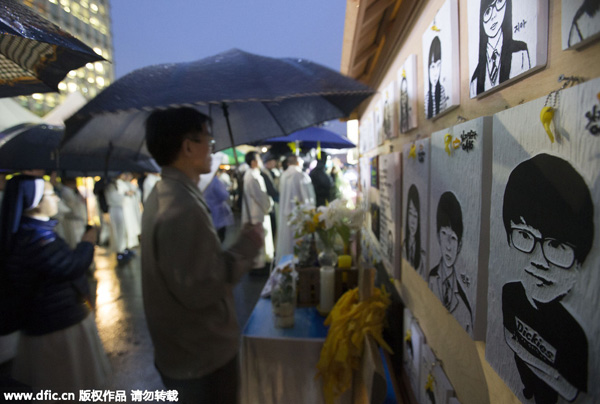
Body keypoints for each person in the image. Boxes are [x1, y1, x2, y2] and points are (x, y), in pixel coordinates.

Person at [141, 107, 263, 404]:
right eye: (208, 138)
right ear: (187, 146)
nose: (212, 146)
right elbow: (203, 285)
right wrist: (247, 246)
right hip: (200, 354)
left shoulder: (166, 191)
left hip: (182, 351)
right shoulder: (181, 205)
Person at [0, 175, 110, 393]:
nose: (57, 200)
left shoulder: (36, 232)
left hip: (55, 320)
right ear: (35, 202)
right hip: (56, 326)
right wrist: (87, 244)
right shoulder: (36, 239)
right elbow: (69, 266)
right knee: (65, 385)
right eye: (51, 194)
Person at [501, 154, 592, 404]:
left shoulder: (574, 335)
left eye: (557, 245)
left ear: (579, 259)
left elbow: (571, 391)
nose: (539, 260)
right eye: (524, 236)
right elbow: (509, 336)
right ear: (509, 238)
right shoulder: (510, 293)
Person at [427, 191, 473, 335]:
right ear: (438, 236)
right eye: (444, 234)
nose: (448, 245)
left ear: (459, 245)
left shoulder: (464, 307)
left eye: (453, 238)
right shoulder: (429, 279)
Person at [470, 0, 530, 97]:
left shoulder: (520, 53)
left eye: (499, 2)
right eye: (487, 12)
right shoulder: (475, 80)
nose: (493, 15)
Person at [276, 154, 316, 264]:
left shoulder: (283, 175)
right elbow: (308, 198)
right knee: (297, 243)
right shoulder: (301, 176)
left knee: (286, 242)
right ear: (298, 163)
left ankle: (286, 265)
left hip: (285, 214)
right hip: (299, 216)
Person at [242, 151, 275, 271]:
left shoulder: (253, 175)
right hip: (257, 213)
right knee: (259, 241)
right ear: (253, 162)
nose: (261, 162)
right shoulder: (252, 176)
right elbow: (260, 196)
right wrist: (269, 204)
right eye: (259, 159)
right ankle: (258, 267)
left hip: (258, 211)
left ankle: (261, 264)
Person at [55, 177, 88, 250]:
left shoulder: (71, 191)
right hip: (72, 222)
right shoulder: (65, 192)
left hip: (76, 221)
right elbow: (71, 209)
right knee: (74, 241)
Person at [203, 175, 234, 243]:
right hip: (218, 213)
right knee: (219, 236)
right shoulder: (215, 181)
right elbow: (224, 195)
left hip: (207, 212)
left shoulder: (203, 181)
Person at [403, 185, 426, 277]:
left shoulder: (422, 258)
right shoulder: (403, 248)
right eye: (410, 213)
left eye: (415, 216)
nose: (412, 221)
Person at [424, 36, 448, 119]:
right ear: (428, 68)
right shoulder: (427, 97)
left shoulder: (442, 91)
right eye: (433, 67)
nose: (435, 73)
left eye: (438, 65)